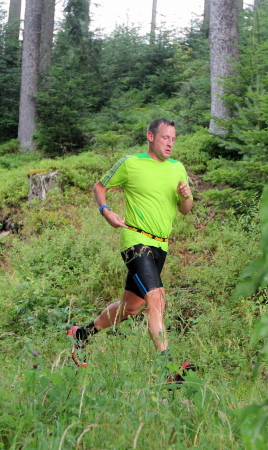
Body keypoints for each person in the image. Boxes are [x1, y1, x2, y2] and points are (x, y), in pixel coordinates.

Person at [67, 118, 195, 381]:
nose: (170, 143)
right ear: (151, 136)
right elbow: (99, 187)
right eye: (165, 138)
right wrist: (106, 211)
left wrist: (186, 197)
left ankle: (82, 334)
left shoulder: (177, 168)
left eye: (173, 139)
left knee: (130, 308)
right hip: (135, 241)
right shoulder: (131, 163)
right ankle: (170, 370)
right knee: (156, 298)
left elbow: (185, 210)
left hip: (161, 245)